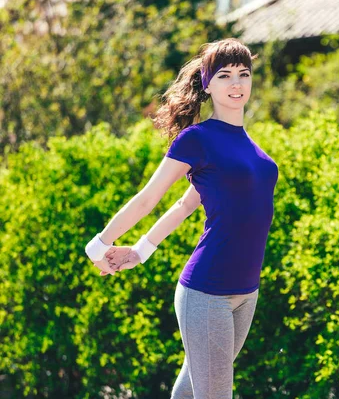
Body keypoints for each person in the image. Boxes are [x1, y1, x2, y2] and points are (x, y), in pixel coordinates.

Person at [84, 38, 279, 399]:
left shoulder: (250, 147)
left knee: (191, 391)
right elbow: (149, 199)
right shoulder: (197, 139)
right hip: (207, 293)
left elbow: (187, 205)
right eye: (224, 75)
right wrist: (99, 245)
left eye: (243, 74)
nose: (236, 84)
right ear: (207, 84)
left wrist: (141, 251)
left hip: (246, 292)